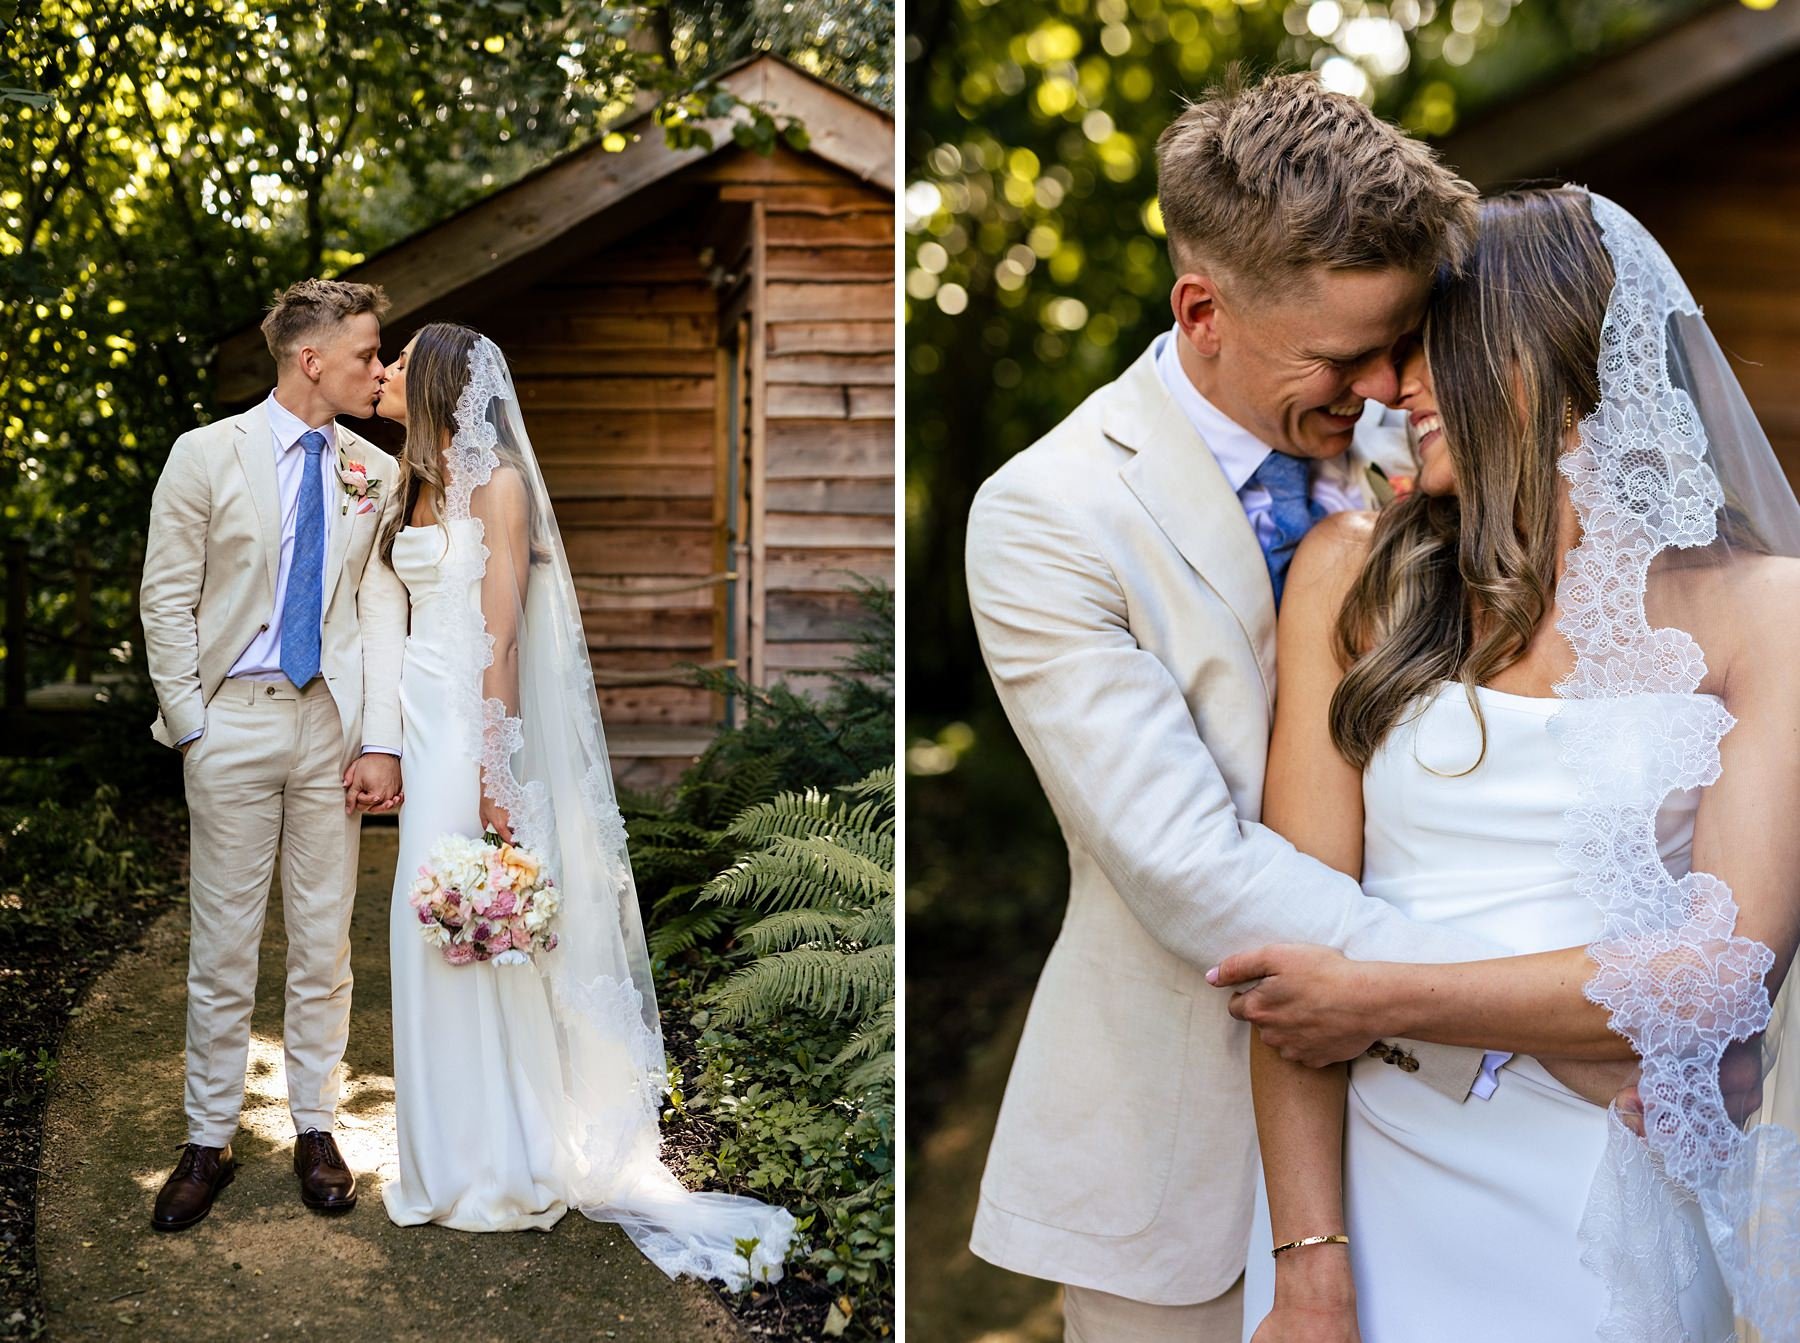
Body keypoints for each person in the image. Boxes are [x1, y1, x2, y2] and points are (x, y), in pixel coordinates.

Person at [962, 72, 1638, 1342]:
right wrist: (1559, 1015)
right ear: (1203, 310)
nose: (1388, 383)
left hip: (1450, 1150)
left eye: (1402, 340)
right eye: (1343, 355)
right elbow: (1189, 868)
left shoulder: (1425, 451)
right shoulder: (1049, 517)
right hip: (1181, 1153)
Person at [1235, 188, 1800, 1341]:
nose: (1391, 390)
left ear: (1535, 353)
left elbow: (1712, 972)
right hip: (1375, 1172)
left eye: (1422, 349)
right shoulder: (1354, 574)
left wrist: (1378, 997)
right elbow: (1295, 950)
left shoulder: (1766, 610)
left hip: (1603, 1181)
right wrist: (1308, 1271)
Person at [369, 322, 794, 1286]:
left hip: (472, 726)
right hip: (421, 717)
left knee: (476, 930)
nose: (387, 374)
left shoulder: (502, 488)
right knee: (424, 930)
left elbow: (505, 640)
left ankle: (506, 1156)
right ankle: (443, 1156)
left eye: (401, 364)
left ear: (438, 384)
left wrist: (495, 768)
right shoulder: (413, 481)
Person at [140, 278, 407, 1230]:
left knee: (324, 939)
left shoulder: (373, 472)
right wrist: (194, 722)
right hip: (233, 721)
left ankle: (316, 1127)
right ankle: (207, 1137)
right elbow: (166, 596)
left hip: (328, 726)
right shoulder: (204, 454)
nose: (378, 369)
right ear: (312, 359)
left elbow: (378, 611)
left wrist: (381, 740)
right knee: (223, 943)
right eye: (368, 353)